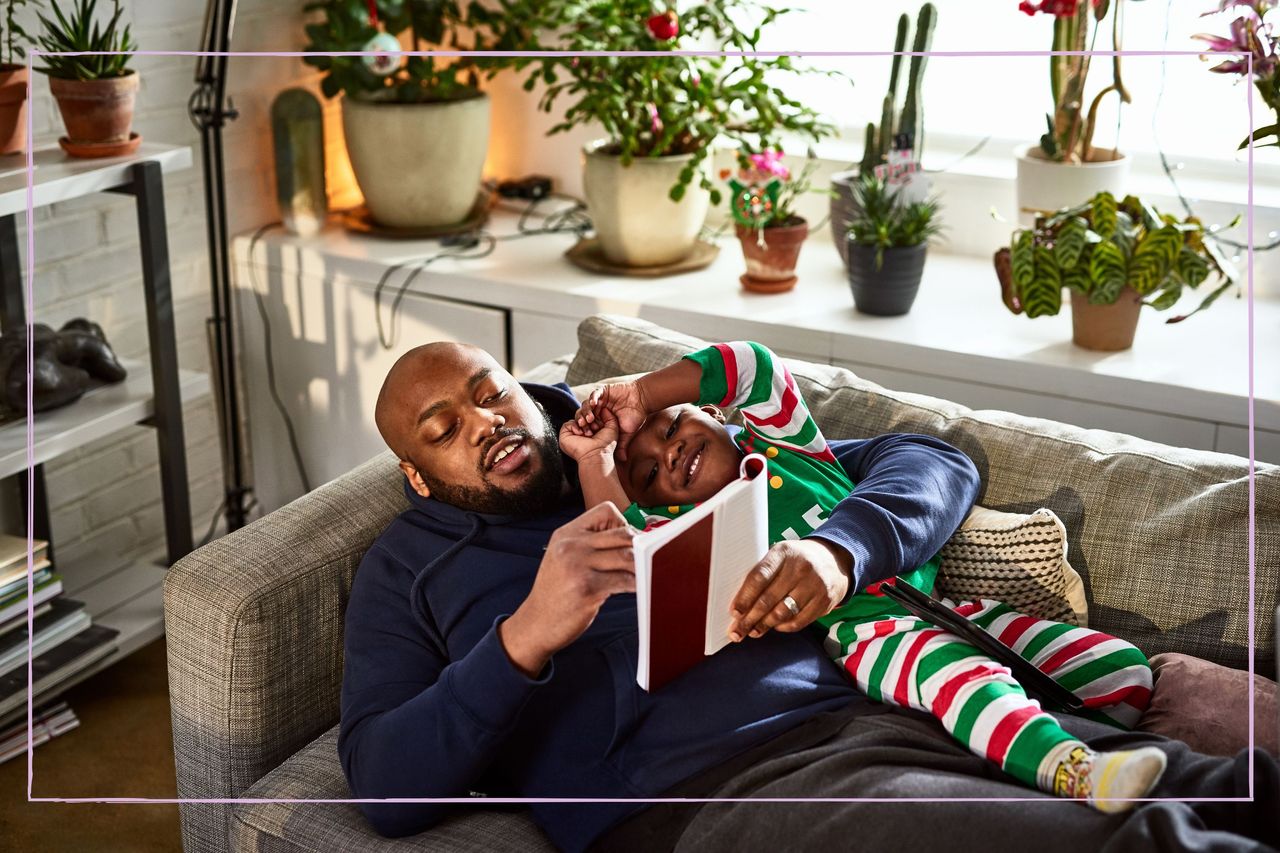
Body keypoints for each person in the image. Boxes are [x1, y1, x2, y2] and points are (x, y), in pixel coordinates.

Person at [340, 340, 1278, 853]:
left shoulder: (650, 439)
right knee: (1146, 842)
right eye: (446, 430)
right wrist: (523, 640)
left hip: (920, 694)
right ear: (420, 476)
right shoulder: (409, 573)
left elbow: (929, 461)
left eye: (489, 393)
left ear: (523, 390)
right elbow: (384, 784)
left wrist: (839, 551)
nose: (488, 426)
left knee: (1237, 788)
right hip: (725, 790)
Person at [561, 340, 1163, 811]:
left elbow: (752, 366)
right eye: (647, 473)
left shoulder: (790, 447)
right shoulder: (689, 532)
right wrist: (595, 457)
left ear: (717, 414)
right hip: (871, 642)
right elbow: (613, 538)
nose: (667, 454)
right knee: (966, 680)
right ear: (656, 504)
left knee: (1124, 668)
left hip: (947, 608)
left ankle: (1035, 755)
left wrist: (641, 395)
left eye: (673, 427)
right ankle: (1070, 768)